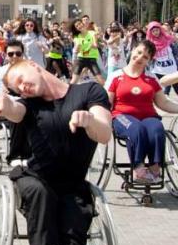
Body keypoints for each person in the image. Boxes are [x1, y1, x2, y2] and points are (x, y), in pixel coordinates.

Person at [0, 59, 112, 245]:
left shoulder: (89, 91)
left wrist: (90, 121)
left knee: (75, 208)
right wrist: (3, 102)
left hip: (72, 181)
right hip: (36, 177)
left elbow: (104, 133)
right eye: (16, 87)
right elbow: (15, 111)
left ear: (34, 65)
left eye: (21, 78)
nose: (21, 86)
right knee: (40, 193)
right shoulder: (29, 104)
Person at [106, 40, 178, 183]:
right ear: (132, 51)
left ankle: (154, 168)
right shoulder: (116, 76)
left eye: (145, 57)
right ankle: (138, 167)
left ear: (149, 61)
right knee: (136, 128)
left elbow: (163, 102)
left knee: (157, 129)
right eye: (138, 53)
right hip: (121, 116)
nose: (140, 58)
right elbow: (107, 102)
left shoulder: (151, 78)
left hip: (148, 115)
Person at [145, 21, 177, 95]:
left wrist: (174, 37)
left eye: (157, 30)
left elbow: (175, 51)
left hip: (171, 69)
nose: (156, 32)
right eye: (153, 31)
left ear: (160, 29)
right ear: (150, 32)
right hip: (158, 70)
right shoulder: (149, 43)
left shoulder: (168, 39)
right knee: (158, 90)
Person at [69, 19, 104, 85]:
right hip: (81, 59)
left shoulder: (92, 33)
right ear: (76, 29)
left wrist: (89, 47)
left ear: (82, 23)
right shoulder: (77, 37)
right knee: (73, 81)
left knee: (101, 81)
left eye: (79, 24)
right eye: (77, 26)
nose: (79, 26)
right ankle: (66, 93)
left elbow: (95, 45)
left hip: (92, 59)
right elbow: (78, 50)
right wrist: (78, 48)